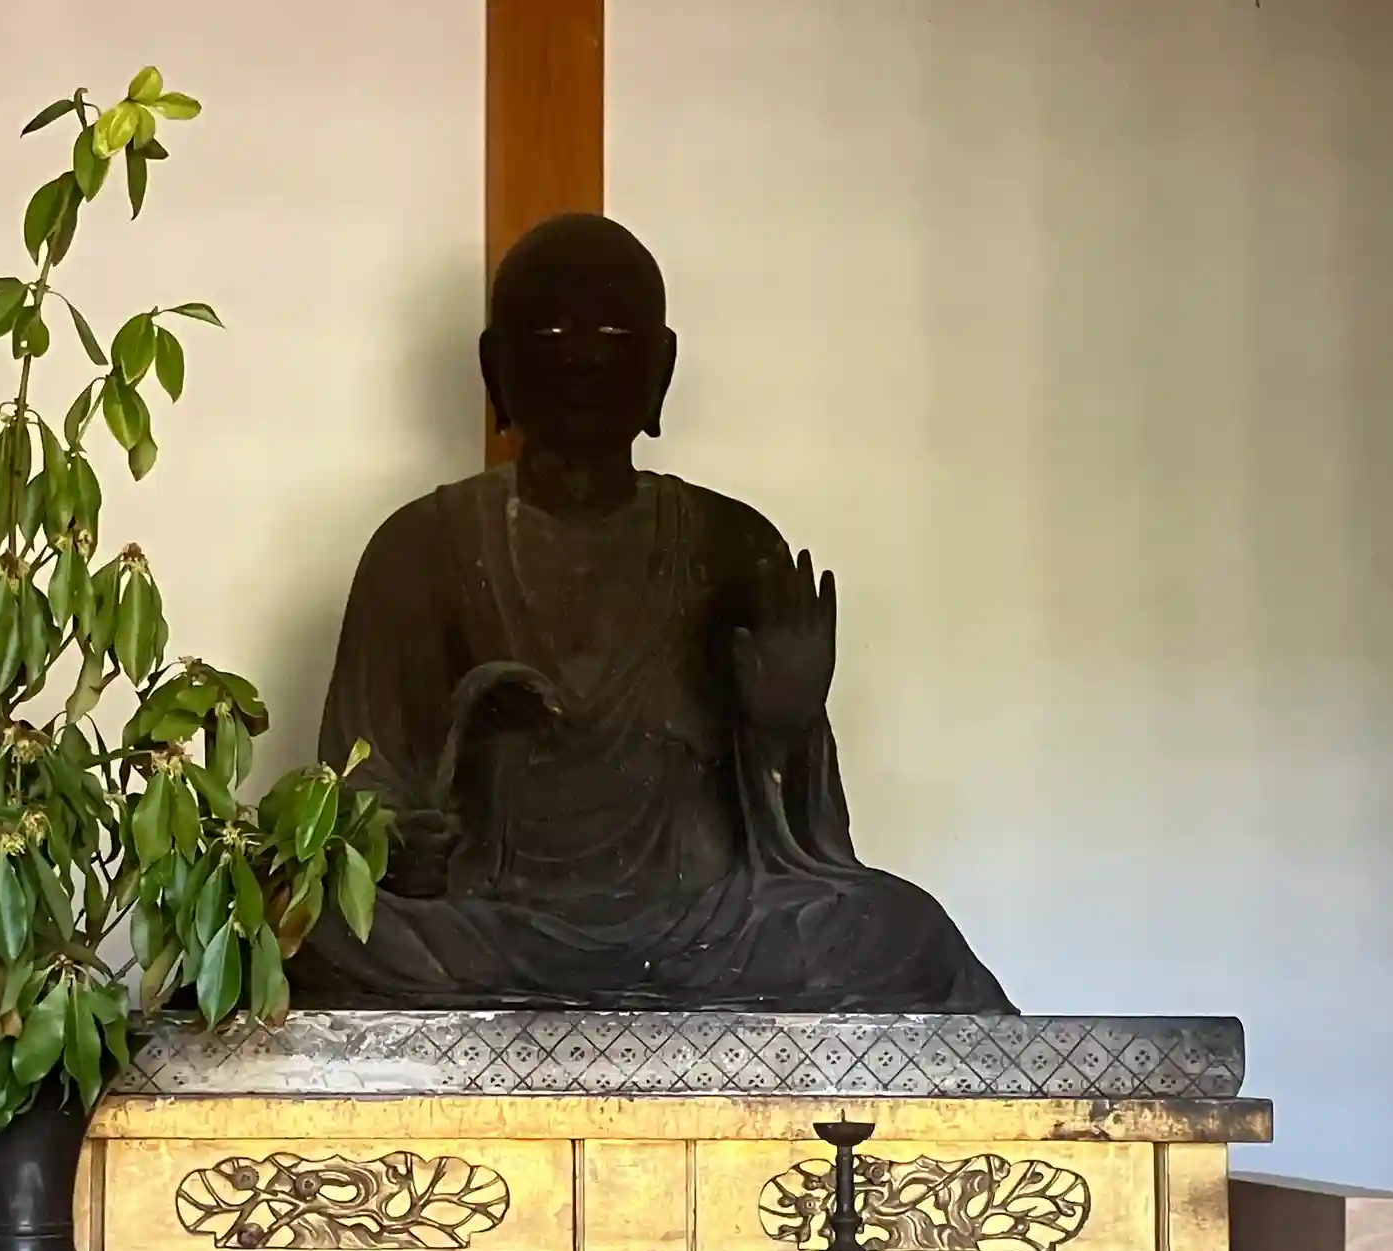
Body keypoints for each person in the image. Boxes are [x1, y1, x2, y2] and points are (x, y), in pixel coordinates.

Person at [291, 212, 1010, 1013]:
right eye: (549, 332)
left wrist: (785, 728)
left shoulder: (733, 545)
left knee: (898, 929)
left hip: (702, 933)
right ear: (496, 366)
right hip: (489, 928)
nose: (582, 356)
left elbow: (802, 849)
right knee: (303, 924)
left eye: (613, 333)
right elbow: (360, 788)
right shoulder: (420, 547)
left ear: (661, 366)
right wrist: (396, 842)